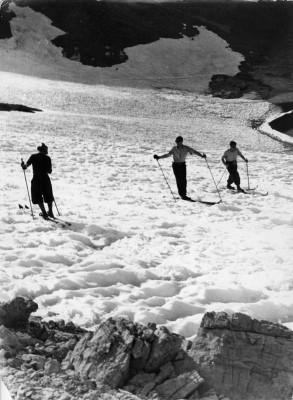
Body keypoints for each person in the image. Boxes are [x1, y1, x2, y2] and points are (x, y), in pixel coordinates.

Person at [153, 136, 206, 200]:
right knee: (179, 180)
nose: (177, 143)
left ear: (181, 142)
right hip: (176, 166)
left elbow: (194, 152)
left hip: (183, 165)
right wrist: (159, 157)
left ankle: (184, 194)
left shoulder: (186, 148)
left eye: (178, 142)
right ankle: (182, 195)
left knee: (183, 180)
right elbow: (167, 155)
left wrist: (201, 156)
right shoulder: (174, 149)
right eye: (176, 142)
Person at [21, 143, 55, 219]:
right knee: (48, 195)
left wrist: (23, 165)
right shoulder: (48, 158)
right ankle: (50, 212)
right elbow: (49, 171)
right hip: (45, 178)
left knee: (37, 195)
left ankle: (44, 213)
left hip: (36, 178)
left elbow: (25, 167)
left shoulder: (33, 156)